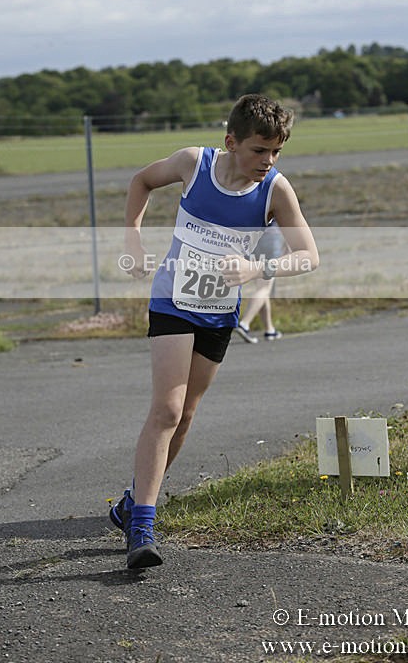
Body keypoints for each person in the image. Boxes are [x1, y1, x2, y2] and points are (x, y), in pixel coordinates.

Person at [110, 94, 319, 569]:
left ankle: (129, 504)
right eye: (259, 150)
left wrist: (255, 267)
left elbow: (309, 255)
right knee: (165, 409)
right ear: (231, 142)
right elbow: (141, 181)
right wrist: (132, 237)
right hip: (173, 298)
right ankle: (143, 523)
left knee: (184, 416)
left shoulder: (276, 190)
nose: (268, 161)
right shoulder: (193, 163)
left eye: (276, 152)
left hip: (219, 310)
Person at [235, 221, 287, 342]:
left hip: (252, 238)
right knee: (264, 288)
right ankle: (244, 324)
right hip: (271, 238)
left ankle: (270, 330)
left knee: (262, 288)